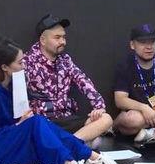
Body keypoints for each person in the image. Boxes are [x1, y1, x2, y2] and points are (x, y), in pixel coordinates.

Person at [0, 37, 125, 164]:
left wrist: (18, 123)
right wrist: (17, 126)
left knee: (38, 121)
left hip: (0, 140)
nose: (24, 66)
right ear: (5, 67)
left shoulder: (11, 84)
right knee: (35, 123)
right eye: (20, 63)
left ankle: (89, 156)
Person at [23, 14, 113, 146]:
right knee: (94, 141)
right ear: (43, 40)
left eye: (64, 37)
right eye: (57, 37)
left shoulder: (65, 60)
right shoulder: (27, 62)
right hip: (42, 122)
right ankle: (75, 144)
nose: (63, 42)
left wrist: (99, 106)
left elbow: (83, 81)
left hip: (66, 118)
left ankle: (69, 145)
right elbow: (18, 97)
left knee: (106, 119)